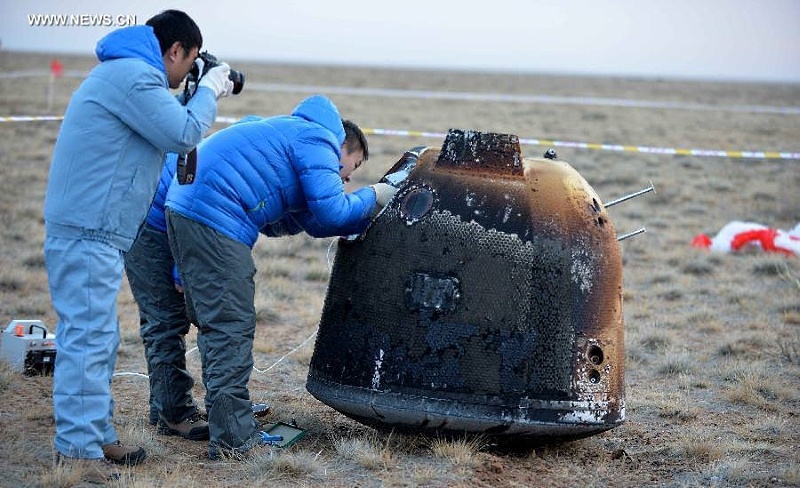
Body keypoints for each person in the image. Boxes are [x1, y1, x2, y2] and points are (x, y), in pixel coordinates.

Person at [42, 9, 233, 481]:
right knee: (87, 337)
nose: (187, 74)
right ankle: (78, 449)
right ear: (175, 51)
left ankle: (95, 433)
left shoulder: (123, 73)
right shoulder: (135, 77)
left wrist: (198, 85)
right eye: (189, 63)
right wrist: (210, 88)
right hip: (89, 229)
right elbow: (184, 132)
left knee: (98, 337)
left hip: (94, 228)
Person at [164, 95, 397, 459]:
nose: (350, 176)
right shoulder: (320, 140)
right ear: (344, 147)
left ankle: (227, 422)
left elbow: (309, 219)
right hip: (216, 218)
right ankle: (234, 440)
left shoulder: (293, 135)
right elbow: (333, 211)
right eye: (352, 166)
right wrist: (374, 197)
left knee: (217, 326)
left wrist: (360, 215)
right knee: (230, 327)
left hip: (187, 209)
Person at [124, 153, 209, 440]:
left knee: (161, 317)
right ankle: (175, 413)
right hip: (150, 224)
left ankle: (162, 405)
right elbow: (186, 216)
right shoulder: (222, 171)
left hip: (147, 215)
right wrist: (180, 272)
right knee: (166, 319)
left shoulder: (223, 157)